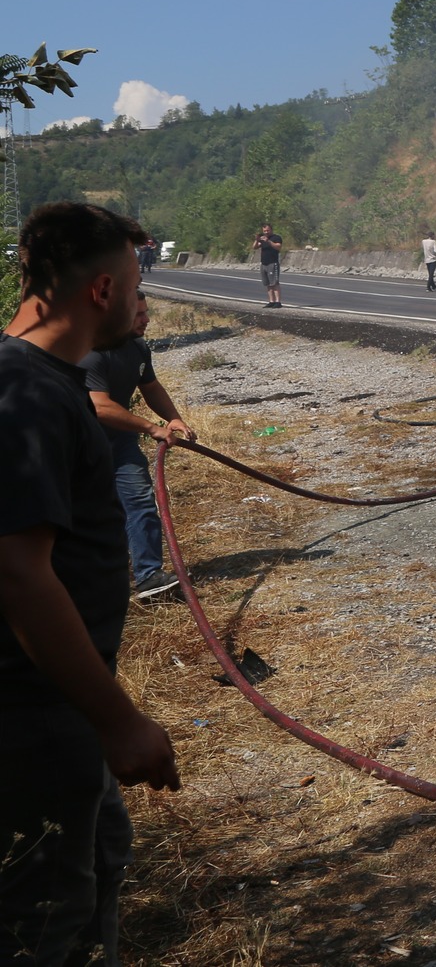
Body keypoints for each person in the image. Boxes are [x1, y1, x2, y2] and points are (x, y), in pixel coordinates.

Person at [0, 202, 181, 965]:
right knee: (43, 923)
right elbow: (17, 571)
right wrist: (120, 721)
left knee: (100, 862)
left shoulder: (44, 381)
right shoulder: (28, 396)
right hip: (33, 721)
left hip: (60, 712)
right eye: (136, 283)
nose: (141, 301)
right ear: (102, 289)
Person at [84, 293, 194, 600]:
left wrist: (172, 419)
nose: (146, 319)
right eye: (139, 314)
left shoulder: (137, 347)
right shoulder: (91, 352)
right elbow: (99, 405)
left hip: (119, 444)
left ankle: (149, 578)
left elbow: (150, 386)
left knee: (141, 503)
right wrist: (151, 427)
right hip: (77, 450)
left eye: (146, 313)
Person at [252, 222, 283, 308]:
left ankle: (278, 302)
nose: (266, 232)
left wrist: (268, 241)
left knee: (275, 283)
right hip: (264, 263)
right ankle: (271, 301)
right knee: (268, 284)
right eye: (264, 230)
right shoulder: (262, 239)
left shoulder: (276, 238)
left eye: (268, 230)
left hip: (273, 263)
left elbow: (278, 247)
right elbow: (254, 247)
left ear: (271, 230)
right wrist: (257, 239)